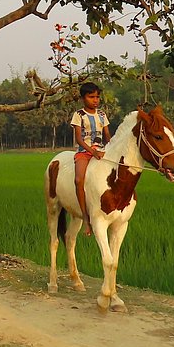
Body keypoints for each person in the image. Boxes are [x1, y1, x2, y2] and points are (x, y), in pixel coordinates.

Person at [70, 82, 111, 236]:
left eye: (97, 97)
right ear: (83, 98)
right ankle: (85, 217)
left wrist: (109, 148)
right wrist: (92, 152)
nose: (95, 100)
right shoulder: (79, 115)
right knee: (79, 180)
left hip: (101, 151)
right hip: (84, 152)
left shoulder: (102, 115)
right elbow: (79, 139)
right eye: (91, 97)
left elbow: (107, 136)